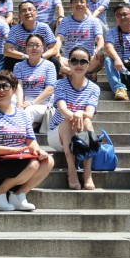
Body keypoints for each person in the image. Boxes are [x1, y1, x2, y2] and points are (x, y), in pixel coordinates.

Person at [0, 70, 55, 211]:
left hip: (19, 160)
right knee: (33, 164)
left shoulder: (23, 115)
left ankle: (19, 195)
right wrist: (12, 150)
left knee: (48, 161)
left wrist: (38, 150)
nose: (1, 90)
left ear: (14, 89)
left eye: (5, 86)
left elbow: (31, 141)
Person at [49, 47, 101, 190]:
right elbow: (62, 108)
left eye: (83, 61)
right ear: (69, 63)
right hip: (58, 135)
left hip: (81, 133)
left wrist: (79, 114)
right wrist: (75, 114)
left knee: (87, 121)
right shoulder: (60, 84)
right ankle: (72, 171)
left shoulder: (94, 88)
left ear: (88, 64)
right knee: (68, 121)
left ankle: (87, 173)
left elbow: (89, 113)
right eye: (74, 61)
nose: (78, 64)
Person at [13, 34, 57, 127]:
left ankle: (21, 131)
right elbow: (19, 86)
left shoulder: (49, 66)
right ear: (26, 48)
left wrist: (32, 103)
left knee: (29, 111)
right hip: (24, 101)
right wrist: (20, 103)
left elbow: (50, 89)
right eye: (30, 45)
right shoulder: (18, 66)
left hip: (42, 104)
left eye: (37, 45)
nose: (34, 48)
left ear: (43, 48)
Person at [56, 0, 104, 74]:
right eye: (75, 2)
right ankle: (80, 73)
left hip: (88, 60)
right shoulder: (65, 21)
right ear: (71, 5)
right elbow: (59, 38)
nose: (79, 4)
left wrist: (99, 50)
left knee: (100, 58)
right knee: (54, 60)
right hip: (70, 60)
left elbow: (100, 38)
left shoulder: (94, 21)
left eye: (82, 2)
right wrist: (57, 51)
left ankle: (71, 72)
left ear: (87, 6)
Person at [3, 1, 58, 73]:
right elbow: (7, 51)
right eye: (24, 10)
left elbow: (54, 49)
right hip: (21, 58)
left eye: (30, 9)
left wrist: (40, 57)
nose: (27, 12)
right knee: (8, 60)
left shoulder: (44, 27)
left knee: (55, 60)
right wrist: (26, 57)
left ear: (36, 13)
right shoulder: (15, 29)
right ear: (19, 15)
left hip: (41, 58)